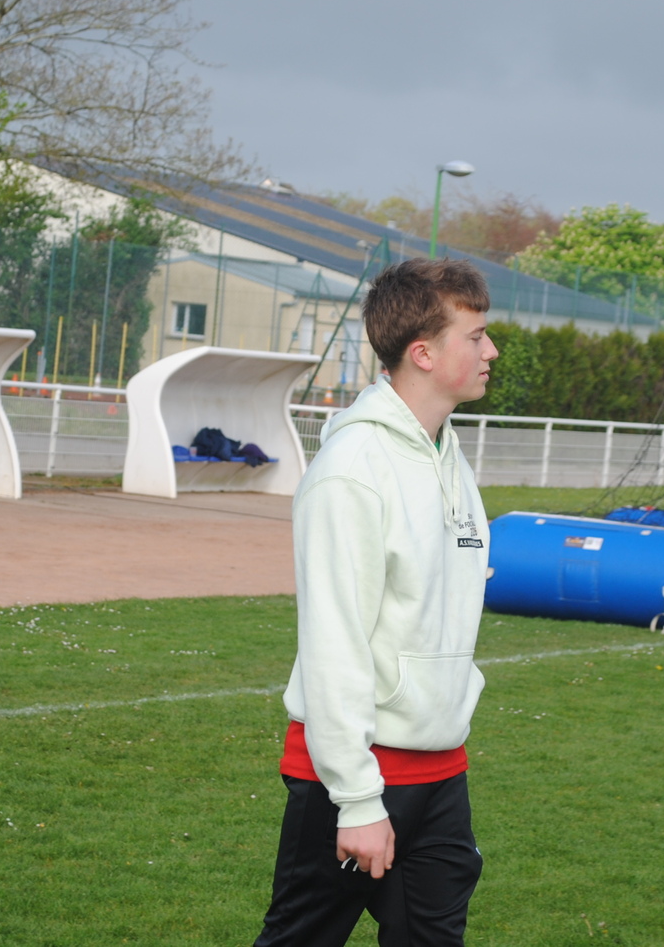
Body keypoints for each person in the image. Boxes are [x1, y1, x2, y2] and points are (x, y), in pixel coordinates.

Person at [254, 258, 498, 947]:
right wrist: (359, 801)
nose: (491, 350)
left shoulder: (449, 456)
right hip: (355, 776)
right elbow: (333, 644)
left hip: (441, 768)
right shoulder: (351, 471)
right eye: (475, 336)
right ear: (423, 353)